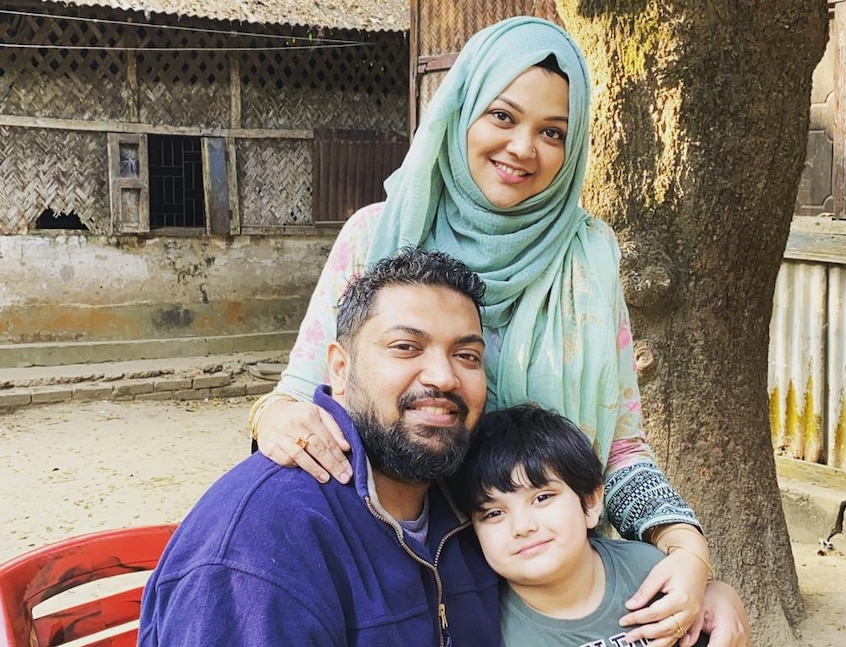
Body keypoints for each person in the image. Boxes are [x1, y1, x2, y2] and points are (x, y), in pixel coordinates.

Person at [248, 16, 749, 647]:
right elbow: (295, 402)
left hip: (556, 586)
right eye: (503, 116)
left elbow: (617, 449)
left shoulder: (589, 256)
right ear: (461, 112)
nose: (522, 148)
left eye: (553, 132)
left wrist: (692, 558)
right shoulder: (376, 236)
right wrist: (273, 418)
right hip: (406, 578)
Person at [138, 248, 500, 645]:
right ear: (341, 369)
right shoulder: (261, 548)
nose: (444, 377)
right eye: (406, 347)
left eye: (467, 356)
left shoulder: (479, 509)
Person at [451, 404, 718, 647]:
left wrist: (716, 594)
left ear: (590, 503)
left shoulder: (651, 573)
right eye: (494, 513)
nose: (522, 526)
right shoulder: (482, 625)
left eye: (542, 498)